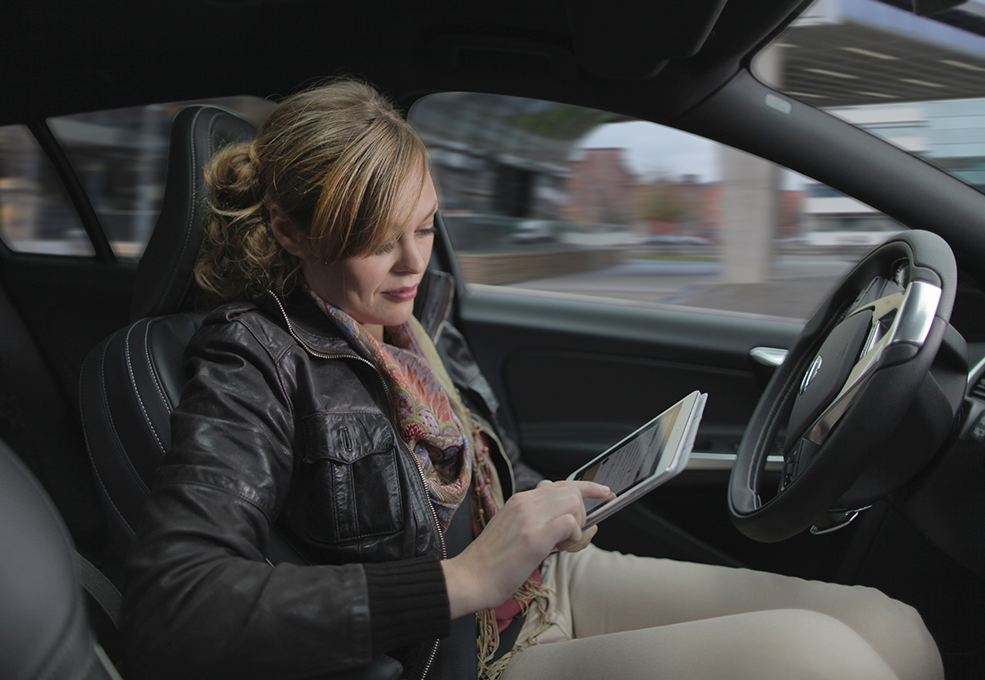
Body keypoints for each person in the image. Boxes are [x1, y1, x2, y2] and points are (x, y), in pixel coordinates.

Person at [121, 79, 943, 680]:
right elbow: (174, 606)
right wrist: (467, 576)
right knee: (824, 661)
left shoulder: (410, 323)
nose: (414, 263)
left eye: (425, 225)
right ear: (291, 233)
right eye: (379, 241)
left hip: (542, 584)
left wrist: (552, 509)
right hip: (466, 651)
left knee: (891, 625)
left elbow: (482, 473)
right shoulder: (251, 359)